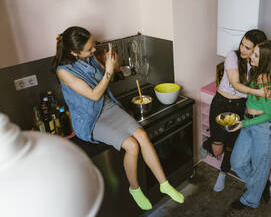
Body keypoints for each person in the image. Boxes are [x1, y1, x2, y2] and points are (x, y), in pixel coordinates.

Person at [51, 26, 184, 211]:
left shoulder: (90, 58)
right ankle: (135, 189)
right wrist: (108, 70)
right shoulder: (63, 71)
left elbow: (108, 82)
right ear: (74, 52)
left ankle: (164, 183)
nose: (93, 50)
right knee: (132, 145)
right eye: (89, 48)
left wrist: (113, 66)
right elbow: (94, 95)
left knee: (142, 135)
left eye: (93, 45)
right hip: (91, 119)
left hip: (108, 107)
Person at [202, 29, 269, 193]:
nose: (243, 50)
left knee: (231, 147)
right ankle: (208, 144)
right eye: (242, 44)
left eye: (248, 48)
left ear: (257, 50)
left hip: (239, 107)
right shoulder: (233, 56)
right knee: (218, 147)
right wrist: (258, 92)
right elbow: (235, 84)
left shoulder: (257, 63)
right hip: (221, 103)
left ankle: (222, 174)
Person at [228, 40, 271, 210]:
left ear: (266, 60)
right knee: (237, 162)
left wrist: (245, 122)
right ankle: (261, 184)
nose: (251, 56)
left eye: (256, 55)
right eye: (253, 52)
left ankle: (251, 200)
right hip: (249, 122)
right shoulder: (257, 73)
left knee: (260, 167)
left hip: (264, 128)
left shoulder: (266, 82)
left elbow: (269, 114)